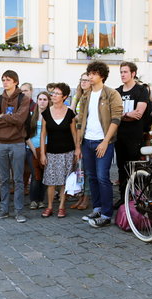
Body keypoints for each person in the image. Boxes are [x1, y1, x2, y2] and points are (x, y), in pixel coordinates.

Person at [78, 61, 123, 228]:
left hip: (103, 142)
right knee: (92, 176)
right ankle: (97, 208)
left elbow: (116, 119)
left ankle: (106, 214)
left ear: (101, 76)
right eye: (89, 73)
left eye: (94, 73)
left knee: (103, 177)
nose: (90, 76)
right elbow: (80, 120)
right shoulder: (85, 95)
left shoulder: (111, 94)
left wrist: (105, 141)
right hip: (87, 141)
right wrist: (78, 144)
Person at [0, 70, 30, 223]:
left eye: (8, 80)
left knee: (18, 179)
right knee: (4, 178)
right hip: (1, 143)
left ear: (15, 82)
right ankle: (4, 209)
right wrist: (8, 119)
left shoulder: (23, 99)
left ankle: (19, 211)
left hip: (17, 143)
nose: (5, 82)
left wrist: (3, 117)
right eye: (3, 79)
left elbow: (20, 119)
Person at [40, 83, 80, 218]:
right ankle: (50, 206)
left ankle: (62, 206)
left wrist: (77, 149)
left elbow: (74, 133)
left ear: (64, 97)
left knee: (64, 181)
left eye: (57, 94)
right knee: (51, 181)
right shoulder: (46, 113)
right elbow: (43, 134)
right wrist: (42, 153)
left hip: (67, 151)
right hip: (51, 152)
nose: (53, 95)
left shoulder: (70, 113)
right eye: (53, 93)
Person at [115, 62, 149, 208]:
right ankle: (123, 197)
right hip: (119, 135)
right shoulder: (117, 91)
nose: (122, 74)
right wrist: (128, 114)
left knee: (133, 167)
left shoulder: (141, 90)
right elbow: (113, 114)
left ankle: (135, 198)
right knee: (121, 168)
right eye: (121, 72)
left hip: (134, 136)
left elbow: (139, 114)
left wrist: (122, 115)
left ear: (133, 73)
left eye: (125, 72)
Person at [70, 72, 92, 210]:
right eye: (81, 80)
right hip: (77, 134)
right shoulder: (78, 96)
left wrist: (77, 117)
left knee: (87, 169)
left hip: (87, 134)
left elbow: (84, 116)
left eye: (86, 80)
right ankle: (82, 194)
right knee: (80, 169)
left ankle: (87, 197)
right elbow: (72, 113)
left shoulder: (91, 96)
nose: (83, 82)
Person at [26, 91, 51, 210]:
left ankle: (41, 200)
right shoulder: (31, 115)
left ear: (48, 102)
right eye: (40, 99)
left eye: (45, 99)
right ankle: (33, 200)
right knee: (35, 174)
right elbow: (26, 135)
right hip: (31, 148)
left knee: (44, 175)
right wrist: (34, 150)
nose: (42, 101)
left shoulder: (50, 116)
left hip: (45, 149)